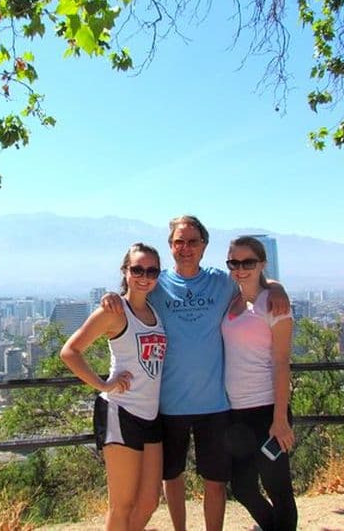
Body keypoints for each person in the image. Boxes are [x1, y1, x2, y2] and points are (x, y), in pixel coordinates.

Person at [103, 215, 289, 531]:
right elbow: (130, 294)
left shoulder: (221, 282)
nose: (185, 248)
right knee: (172, 477)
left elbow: (252, 279)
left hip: (215, 404)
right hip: (168, 403)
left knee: (215, 482)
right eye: (179, 241)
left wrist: (276, 286)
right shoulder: (157, 283)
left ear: (204, 246)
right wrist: (110, 296)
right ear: (170, 246)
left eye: (192, 241)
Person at [60, 242, 167, 531]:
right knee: (122, 505)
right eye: (138, 269)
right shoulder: (115, 312)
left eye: (152, 271)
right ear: (125, 271)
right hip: (121, 412)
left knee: (149, 501)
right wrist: (102, 384)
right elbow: (70, 351)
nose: (144, 276)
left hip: (151, 415)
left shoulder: (156, 312)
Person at [221, 236, 297, 530]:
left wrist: (280, 419)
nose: (240, 269)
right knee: (242, 487)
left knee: (278, 488)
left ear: (262, 264)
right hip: (236, 413)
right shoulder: (233, 300)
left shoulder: (274, 304)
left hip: (267, 408)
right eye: (234, 263)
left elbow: (282, 361)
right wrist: (276, 285)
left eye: (248, 263)